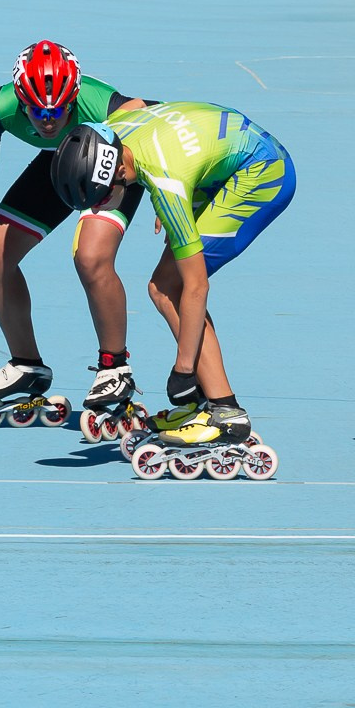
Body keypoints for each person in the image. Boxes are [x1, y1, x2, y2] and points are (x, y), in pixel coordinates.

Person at [47, 102, 297, 460]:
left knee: (173, 287)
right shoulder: (116, 127)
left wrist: (183, 371)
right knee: (161, 286)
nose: (99, 209)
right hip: (224, 160)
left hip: (262, 174)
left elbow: (197, 287)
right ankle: (209, 403)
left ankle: (226, 413)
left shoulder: (166, 180)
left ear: (119, 168)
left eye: (100, 198)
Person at [0, 40, 146, 424]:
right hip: (65, 159)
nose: (47, 120)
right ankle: (26, 365)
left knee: (91, 258)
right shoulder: (4, 104)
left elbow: (145, 115)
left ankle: (114, 367)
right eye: (38, 111)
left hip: (115, 161)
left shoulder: (98, 101)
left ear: (74, 99)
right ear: (21, 101)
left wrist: (165, 190)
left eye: (59, 110)